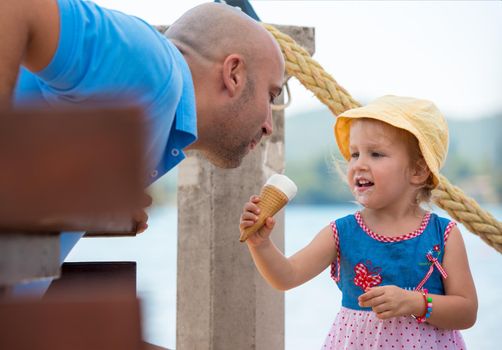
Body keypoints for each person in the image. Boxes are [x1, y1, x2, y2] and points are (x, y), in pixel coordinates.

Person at [0, 0, 284, 295]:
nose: (268, 125)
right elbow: (17, 7)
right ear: (234, 73)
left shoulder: (152, 117)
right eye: (271, 95)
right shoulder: (154, 69)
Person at [240, 95, 477, 349]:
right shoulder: (342, 232)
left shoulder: (444, 234)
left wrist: (415, 302)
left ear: (418, 171)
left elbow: (466, 311)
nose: (359, 164)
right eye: (354, 154)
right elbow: (287, 276)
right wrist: (260, 245)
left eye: (376, 154)